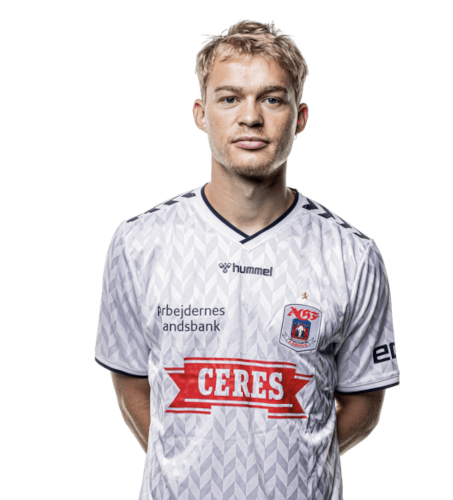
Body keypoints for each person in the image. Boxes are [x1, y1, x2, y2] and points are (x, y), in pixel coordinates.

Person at [95, 18, 400, 500]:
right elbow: (131, 379)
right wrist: (188, 465)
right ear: (201, 113)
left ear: (300, 117)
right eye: (230, 98)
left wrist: (292, 466)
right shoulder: (139, 242)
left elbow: (363, 402)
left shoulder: (352, 254)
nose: (251, 117)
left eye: (272, 99)